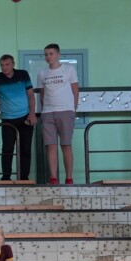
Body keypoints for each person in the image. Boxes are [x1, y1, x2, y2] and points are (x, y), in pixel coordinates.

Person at [0, 54, 37, 181]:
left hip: (25, 117)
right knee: (7, 149)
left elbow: (31, 95)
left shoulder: (23, 74)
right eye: (2, 65)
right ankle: (6, 176)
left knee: (25, 148)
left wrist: (32, 114)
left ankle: (24, 177)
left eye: (7, 64)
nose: (4, 67)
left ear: (13, 64)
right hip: (8, 119)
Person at [34, 44, 79, 185]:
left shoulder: (69, 69)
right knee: (50, 146)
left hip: (66, 111)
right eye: (46, 54)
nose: (48, 56)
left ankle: (69, 178)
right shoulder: (42, 73)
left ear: (58, 54)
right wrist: (45, 110)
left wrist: (73, 109)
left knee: (66, 145)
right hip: (48, 112)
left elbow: (75, 90)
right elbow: (42, 94)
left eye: (51, 53)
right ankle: (53, 178)